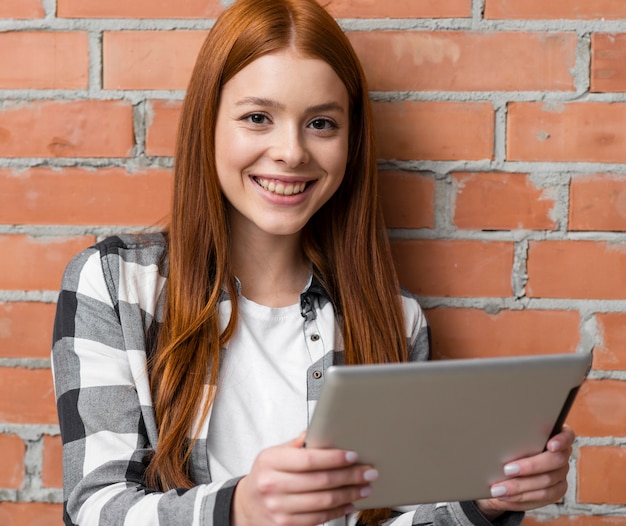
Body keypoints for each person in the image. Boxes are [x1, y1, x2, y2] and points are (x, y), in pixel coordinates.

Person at [51, 0, 574, 524]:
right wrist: (240, 509)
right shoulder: (115, 286)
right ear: (208, 124)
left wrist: (483, 501)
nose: (292, 152)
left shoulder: (395, 319)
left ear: (351, 142)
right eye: (258, 118)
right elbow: (95, 507)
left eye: (321, 123)